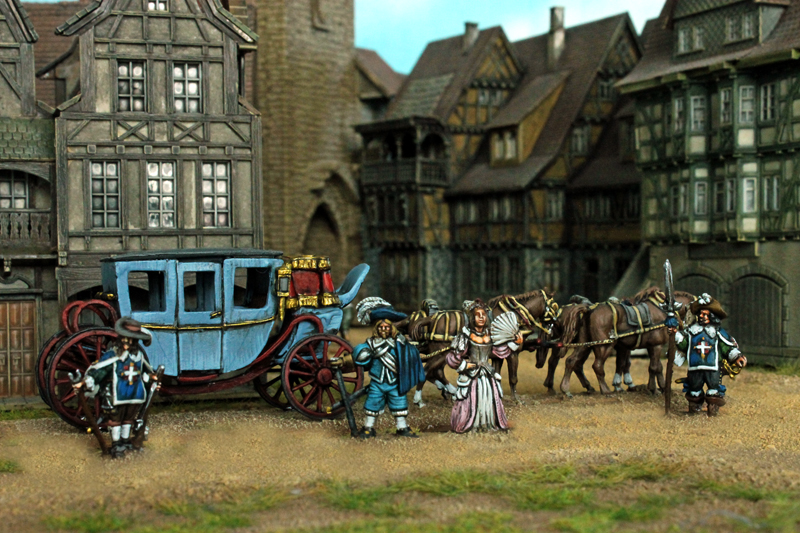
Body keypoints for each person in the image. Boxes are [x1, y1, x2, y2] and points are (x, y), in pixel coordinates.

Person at [74, 317, 159, 457]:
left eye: (130, 340)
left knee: (128, 419)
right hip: (116, 394)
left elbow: (144, 371)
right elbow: (100, 371)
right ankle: (116, 444)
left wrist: (151, 378)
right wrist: (84, 383)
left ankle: (125, 441)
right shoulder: (112, 356)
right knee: (115, 420)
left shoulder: (138, 356)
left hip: (134, 394)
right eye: (125, 339)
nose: (127, 343)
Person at [445, 299, 522, 433]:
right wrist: (464, 365)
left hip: (487, 373)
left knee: (490, 398)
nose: (481, 317)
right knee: (471, 398)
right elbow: (452, 356)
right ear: (472, 318)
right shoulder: (465, 335)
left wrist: (515, 343)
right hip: (472, 375)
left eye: (483, 315)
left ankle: (488, 422)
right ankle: (470, 423)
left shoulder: (490, 335)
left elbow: (499, 351)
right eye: (477, 315)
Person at [669, 293, 746, 417]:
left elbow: (727, 347)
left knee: (713, 389)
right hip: (694, 368)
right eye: (700, 314)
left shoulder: (717, 332)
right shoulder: (691, 331)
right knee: (694, 389)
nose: (702, 316)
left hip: (713, 369)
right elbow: (684, 345)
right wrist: (675, 335)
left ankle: (713, 408)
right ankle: (694, 408)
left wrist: (737, 357)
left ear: (712, 316)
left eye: (705, 314)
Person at [353, 318, 426, 438]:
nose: (384, 329)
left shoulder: (398, 343)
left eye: (386, 327)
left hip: (395, 382)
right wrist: (362, 354)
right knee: (373, 403)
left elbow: (408, 353)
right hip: (377, 381)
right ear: (377, 329)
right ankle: (368, 427)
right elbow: (361, 354)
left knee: (399, 403)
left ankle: (402, 427)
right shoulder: (371, 343)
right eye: (381, 327)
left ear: (391, 328)